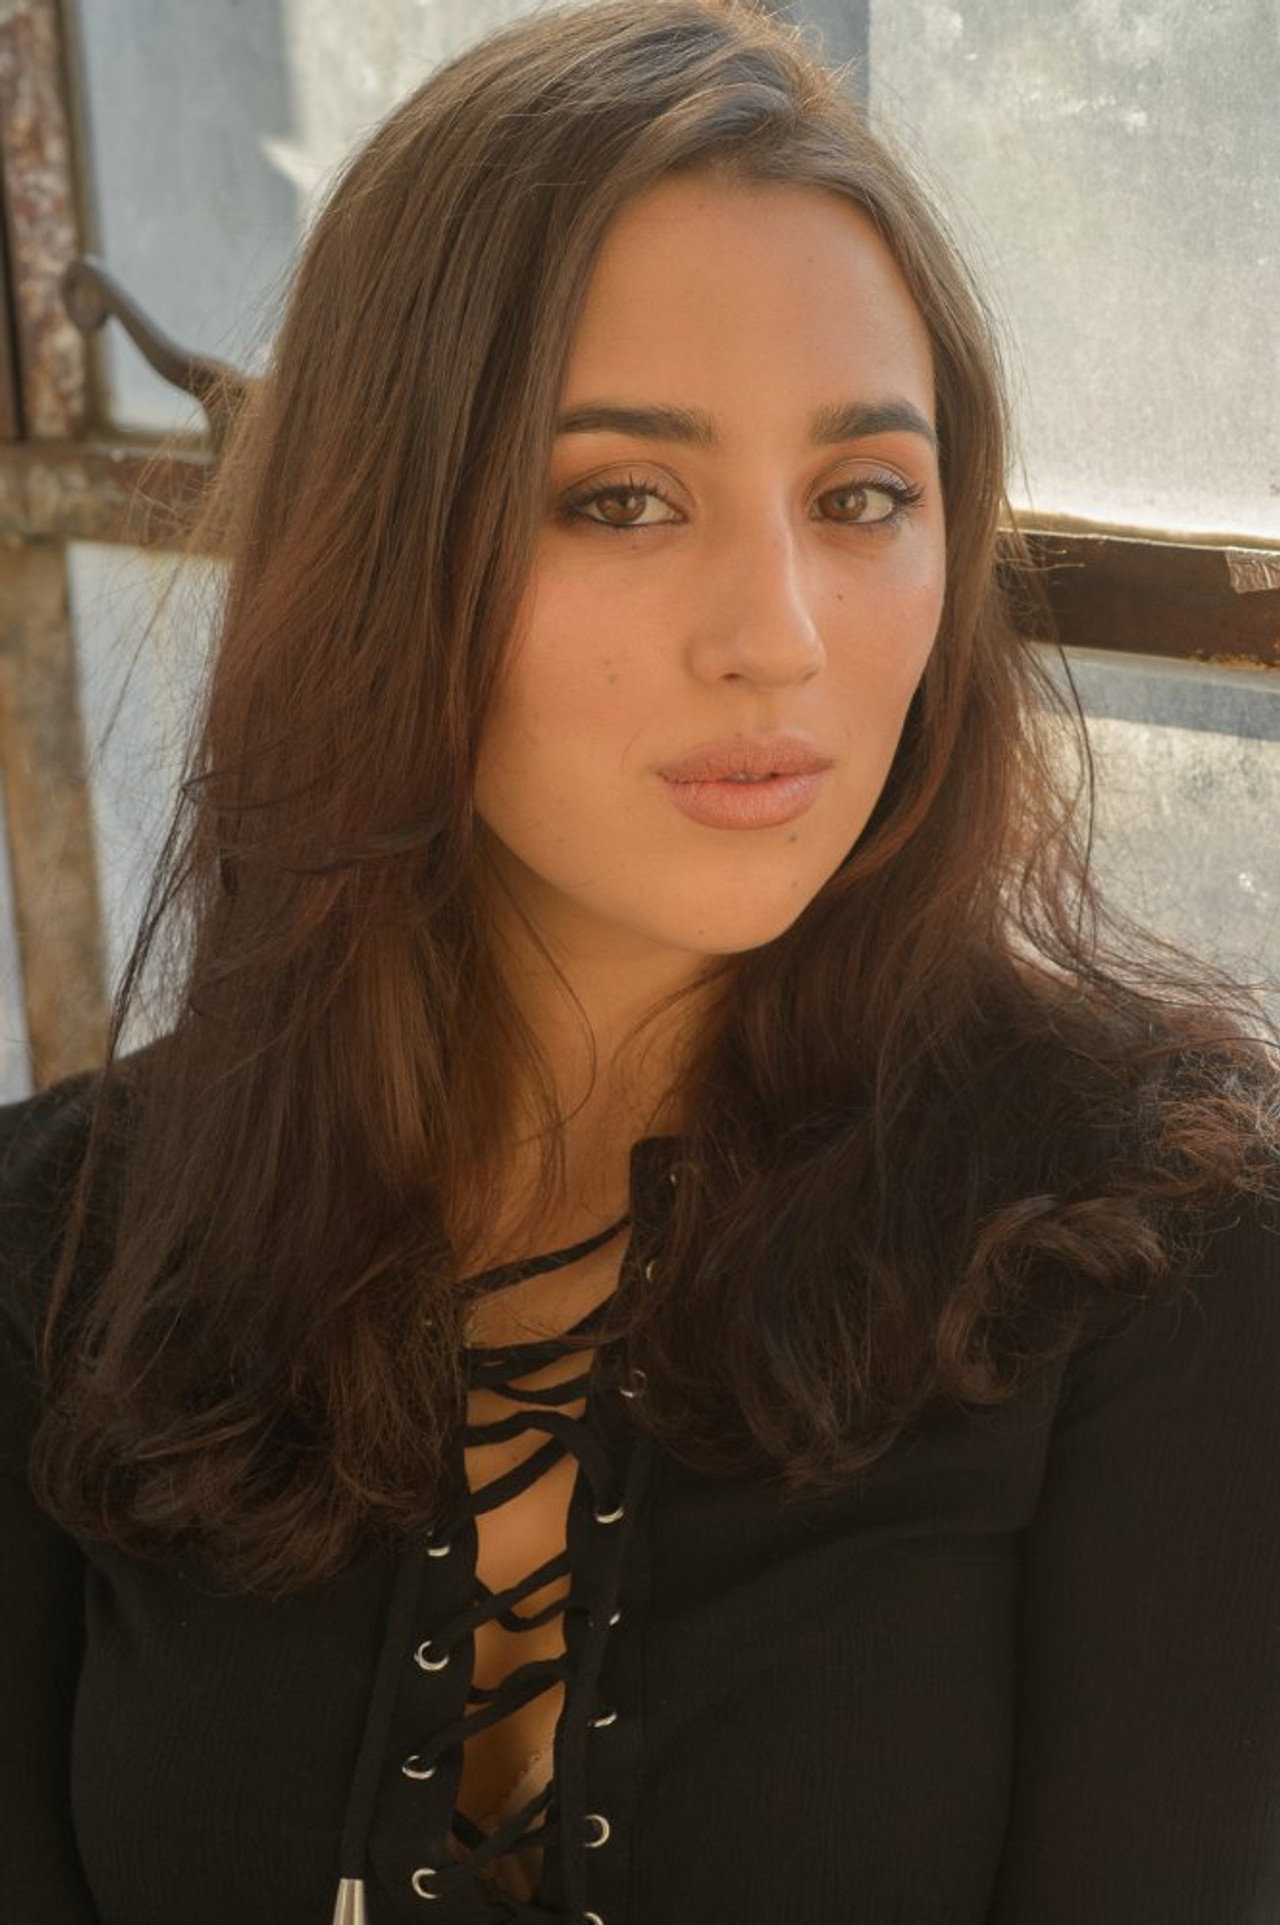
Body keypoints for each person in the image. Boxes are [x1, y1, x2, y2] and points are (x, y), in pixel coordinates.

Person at [4, 1, 1279, 1919]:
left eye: (863, 496)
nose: (778, 634)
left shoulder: (1156, 1253)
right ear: (383, 547)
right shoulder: (61, 1250)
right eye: (621, 498)